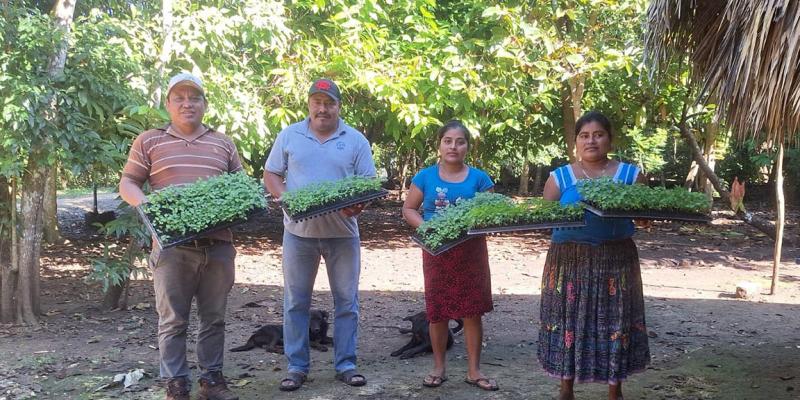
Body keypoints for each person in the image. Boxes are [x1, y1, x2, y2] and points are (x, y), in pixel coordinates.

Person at [119, 73, 241, 400]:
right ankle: (176, 384)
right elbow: (128, 182)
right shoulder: (149, 140)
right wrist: (147, 204)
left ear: (204, 103)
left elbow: (241, 187)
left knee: (214, 318)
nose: (188, 103)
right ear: (168, 104)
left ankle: (212, 381)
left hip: (218, 247)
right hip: (172, 248)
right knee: (173, 319)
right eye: (180, 98)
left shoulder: (223, 142)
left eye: (195, 97)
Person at [263, 78, 377, 392]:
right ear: (309, 104)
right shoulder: (290, 135)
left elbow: (367, 183)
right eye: (317, 102)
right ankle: (297, 366)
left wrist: (358, 205)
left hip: (343, 235)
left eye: (329, 103)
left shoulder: (355, 140)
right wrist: (284, 197)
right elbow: (271, 174)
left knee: (347, 302)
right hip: (298, 234)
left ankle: (346, 364)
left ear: (339, 106)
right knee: (295, 303)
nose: (323, 109)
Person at [539, 111, 650, 400]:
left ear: (609, 139)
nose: (592, 140)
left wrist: (646, 215)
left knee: (616, 321)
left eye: (598, 134)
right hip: (568, 260)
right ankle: (566, 388)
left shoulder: (630, 175)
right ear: (575, 141)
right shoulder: (560, 176)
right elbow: (544, 216)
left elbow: (646, 216)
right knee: (568, 321)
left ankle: (615, 390)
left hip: (616, 260)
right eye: (584, 136)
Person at [401, 120, 499, 391]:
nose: (453, 146)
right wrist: (427, 226)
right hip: (436, 251)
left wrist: (476, 222)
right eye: (448, 141)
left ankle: (473, 370)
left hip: (471, 253)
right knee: (437, 312)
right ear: (439, 145)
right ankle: (439, 367)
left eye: (460, 141)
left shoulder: (480, 178)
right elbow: (409, 209)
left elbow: (493, 213)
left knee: (472, 312)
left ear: (467, 146)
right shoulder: (425, 176)